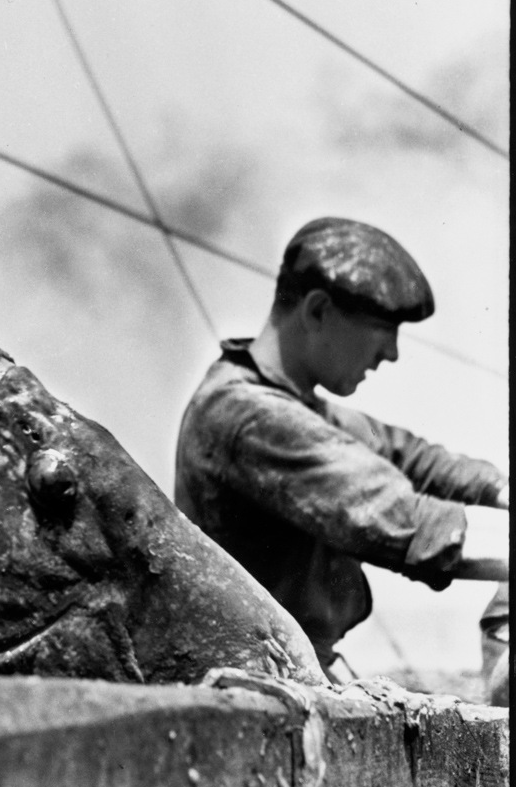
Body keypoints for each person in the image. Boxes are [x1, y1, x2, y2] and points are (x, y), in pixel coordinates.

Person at [174, 216, 508, 691]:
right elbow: (400, 519)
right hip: (251, 689)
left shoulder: (301, 408)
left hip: (292, 675)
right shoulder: (246, 415)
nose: (391, 353)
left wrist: (503, 489)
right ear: (317, 311)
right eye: (381, 329)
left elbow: (414, 459)